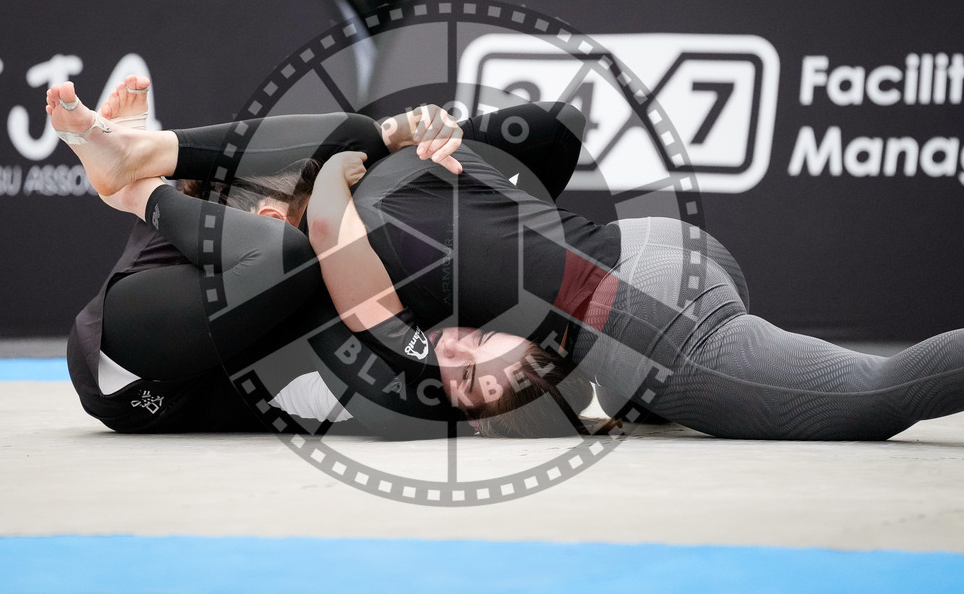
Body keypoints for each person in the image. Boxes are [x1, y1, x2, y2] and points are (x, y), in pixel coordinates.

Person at [305, 101, 964, 441]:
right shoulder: (441, 183)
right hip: (661, 252)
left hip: (635, 311)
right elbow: (548, 133)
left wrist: (436, 134)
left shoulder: (377, 230)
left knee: (869, 395)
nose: (454, 340)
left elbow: (555, 125)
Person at [50, 78, 464, 434]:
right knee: (295, 246)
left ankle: (138, 178)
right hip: (125, 351)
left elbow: (395, 402)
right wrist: (404, 130)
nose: (352, 241)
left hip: (154, 366)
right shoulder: (282, 253)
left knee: (295, 244)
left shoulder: (318, 302)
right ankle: (140, 170)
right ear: (270, 216)